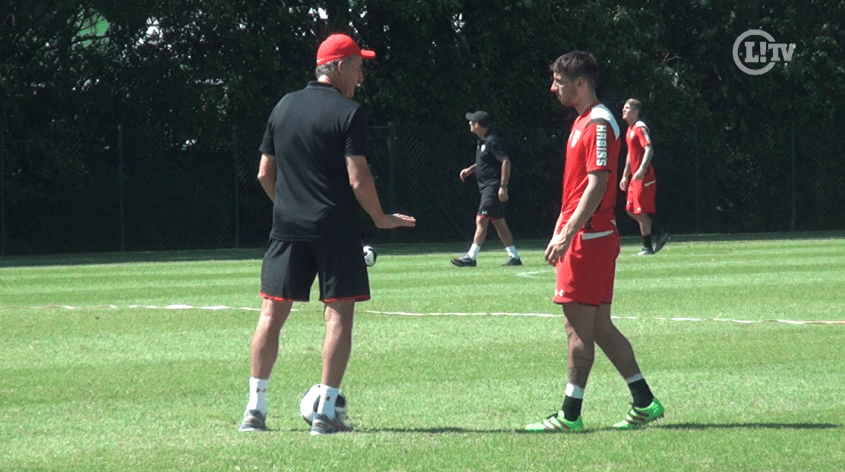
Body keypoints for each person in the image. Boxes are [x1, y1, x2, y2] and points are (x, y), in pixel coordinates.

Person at [239, 33, 416, 435]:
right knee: (338, 318)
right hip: (335, 229)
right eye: (358, 65)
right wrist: (381, 217)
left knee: (270, 315)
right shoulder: (349, 111)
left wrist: (286, 206)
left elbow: (265, 173)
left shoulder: (283, 105)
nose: (362, 76)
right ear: (337, 66)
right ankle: (326, 414)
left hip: (286, 229)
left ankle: (255, 410)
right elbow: (358, 177)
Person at [525, 51, 664, 432]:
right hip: (591, 236)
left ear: (580, 83)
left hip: (588, 238)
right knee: (600, 326)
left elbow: (598, 182)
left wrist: (567, 233)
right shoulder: (584, 121)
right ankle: (645, 402)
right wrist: (562, 226)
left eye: (559, 81)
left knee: (577, 330)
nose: (553, 87)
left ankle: (570, 416)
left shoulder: (599, 123)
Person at [451, 111, 522, 267]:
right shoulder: (482, 142)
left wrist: (503, 187)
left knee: (481, 219)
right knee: (498, 222)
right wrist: (470, 170)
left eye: (472, 122)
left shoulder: (492, 141)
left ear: (478, 125)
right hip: (484, 188)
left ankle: (471, 256)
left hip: (493, 187)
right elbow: (486, 162)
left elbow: (505, 161)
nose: (469, 124)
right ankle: (514, 257)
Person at [620, 99, 669, 255]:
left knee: (641, 210)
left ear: (635, 112)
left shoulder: (640, 128)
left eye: (627, 108)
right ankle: (658, 234)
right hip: (635, 177)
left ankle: (650, 244)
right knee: (630, 210)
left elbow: (649, 149)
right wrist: (625, 175)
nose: (623, 110)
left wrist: (641, 169)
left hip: (644, 176)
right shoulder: (629, 130)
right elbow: (630, 154)